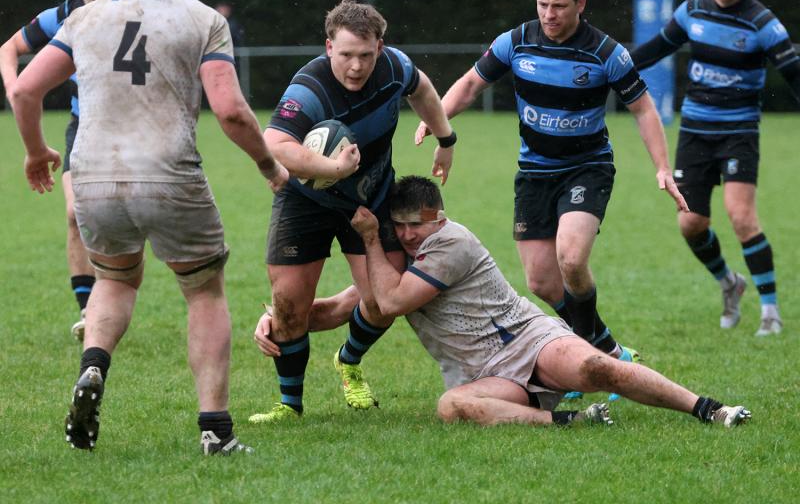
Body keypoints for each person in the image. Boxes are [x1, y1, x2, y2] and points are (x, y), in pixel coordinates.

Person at [10, 0, 288, 455]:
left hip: (92, 174)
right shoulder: (203, 18)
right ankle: (216, 431)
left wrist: (36, 151)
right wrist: (268, 167)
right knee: (203, 291)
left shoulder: (85, 17)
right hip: (168, 174)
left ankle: (92, 369)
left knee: (114, 280)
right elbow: (230, 111)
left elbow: (23, 90)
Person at [257, 176, 750, 429]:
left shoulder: (451, 242)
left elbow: (388, 302)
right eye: (399, 225)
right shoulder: (397, 260)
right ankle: (566, 421)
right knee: (452, 407)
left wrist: (367, 239)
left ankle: (709, 409)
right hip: (486, 376)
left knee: (601, 371)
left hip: (529, 341)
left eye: (418, 224)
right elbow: (346, 308)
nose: (408, 235)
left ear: (439, 218)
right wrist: (279, 320)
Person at [416, 0, 687, 392]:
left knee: (571, 258)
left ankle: (589, 356)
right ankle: (607, 348)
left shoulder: (605, 52)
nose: (549, 14)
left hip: (587, 167)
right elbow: (470, 84)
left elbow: (643, 109)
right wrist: (438, 120)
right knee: (541, 280)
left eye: (559, 6)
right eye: (543, 4)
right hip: (534, 172)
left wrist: (660, 166)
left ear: (580, 4)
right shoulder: (516, 41)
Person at [249, 0, 456, 423]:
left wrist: (446, 139)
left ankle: (348, 360)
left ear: (380, 47)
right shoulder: (309, 88)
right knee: (289, 305)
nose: (356, 66)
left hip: (371, 196)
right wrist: (333, 168)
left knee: (384, 302)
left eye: (365, 55)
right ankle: (289, 405)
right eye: (345, 55)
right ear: (329, 48)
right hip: (305, 200)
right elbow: (276, 144)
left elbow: (423, 90)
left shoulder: (395, 67)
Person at [632, 0, 800, 336]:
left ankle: (770, 311)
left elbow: (792, 72)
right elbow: (658, 47)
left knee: (741, 217)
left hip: (739, 132)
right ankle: (729, 282)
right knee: (690, 224)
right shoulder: (692, 11)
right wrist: (612, 68)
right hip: (694, 132)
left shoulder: (763, 22)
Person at [0, 0, 120, 340]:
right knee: (74, 215)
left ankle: (116, 294)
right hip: (82, 128)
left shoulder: (133, 11)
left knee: (123, 221)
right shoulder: (63, 16)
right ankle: (89, 311)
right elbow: (9, 48)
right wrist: (16, 88)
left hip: (130, 130)